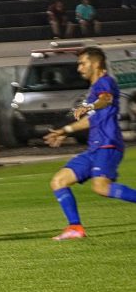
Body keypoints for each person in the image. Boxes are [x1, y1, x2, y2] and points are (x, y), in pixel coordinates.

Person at [43, 47, 136, 240]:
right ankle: (75, 228)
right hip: (95, 147)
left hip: (108, 144)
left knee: (101, 187)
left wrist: (90, 105)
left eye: (82, 63)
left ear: (95, 63)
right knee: (59, 181)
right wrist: (65, 131)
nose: (79, 68)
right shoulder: (94, 88)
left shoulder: (105, 82)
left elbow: (106, 99)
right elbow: (91, 120)